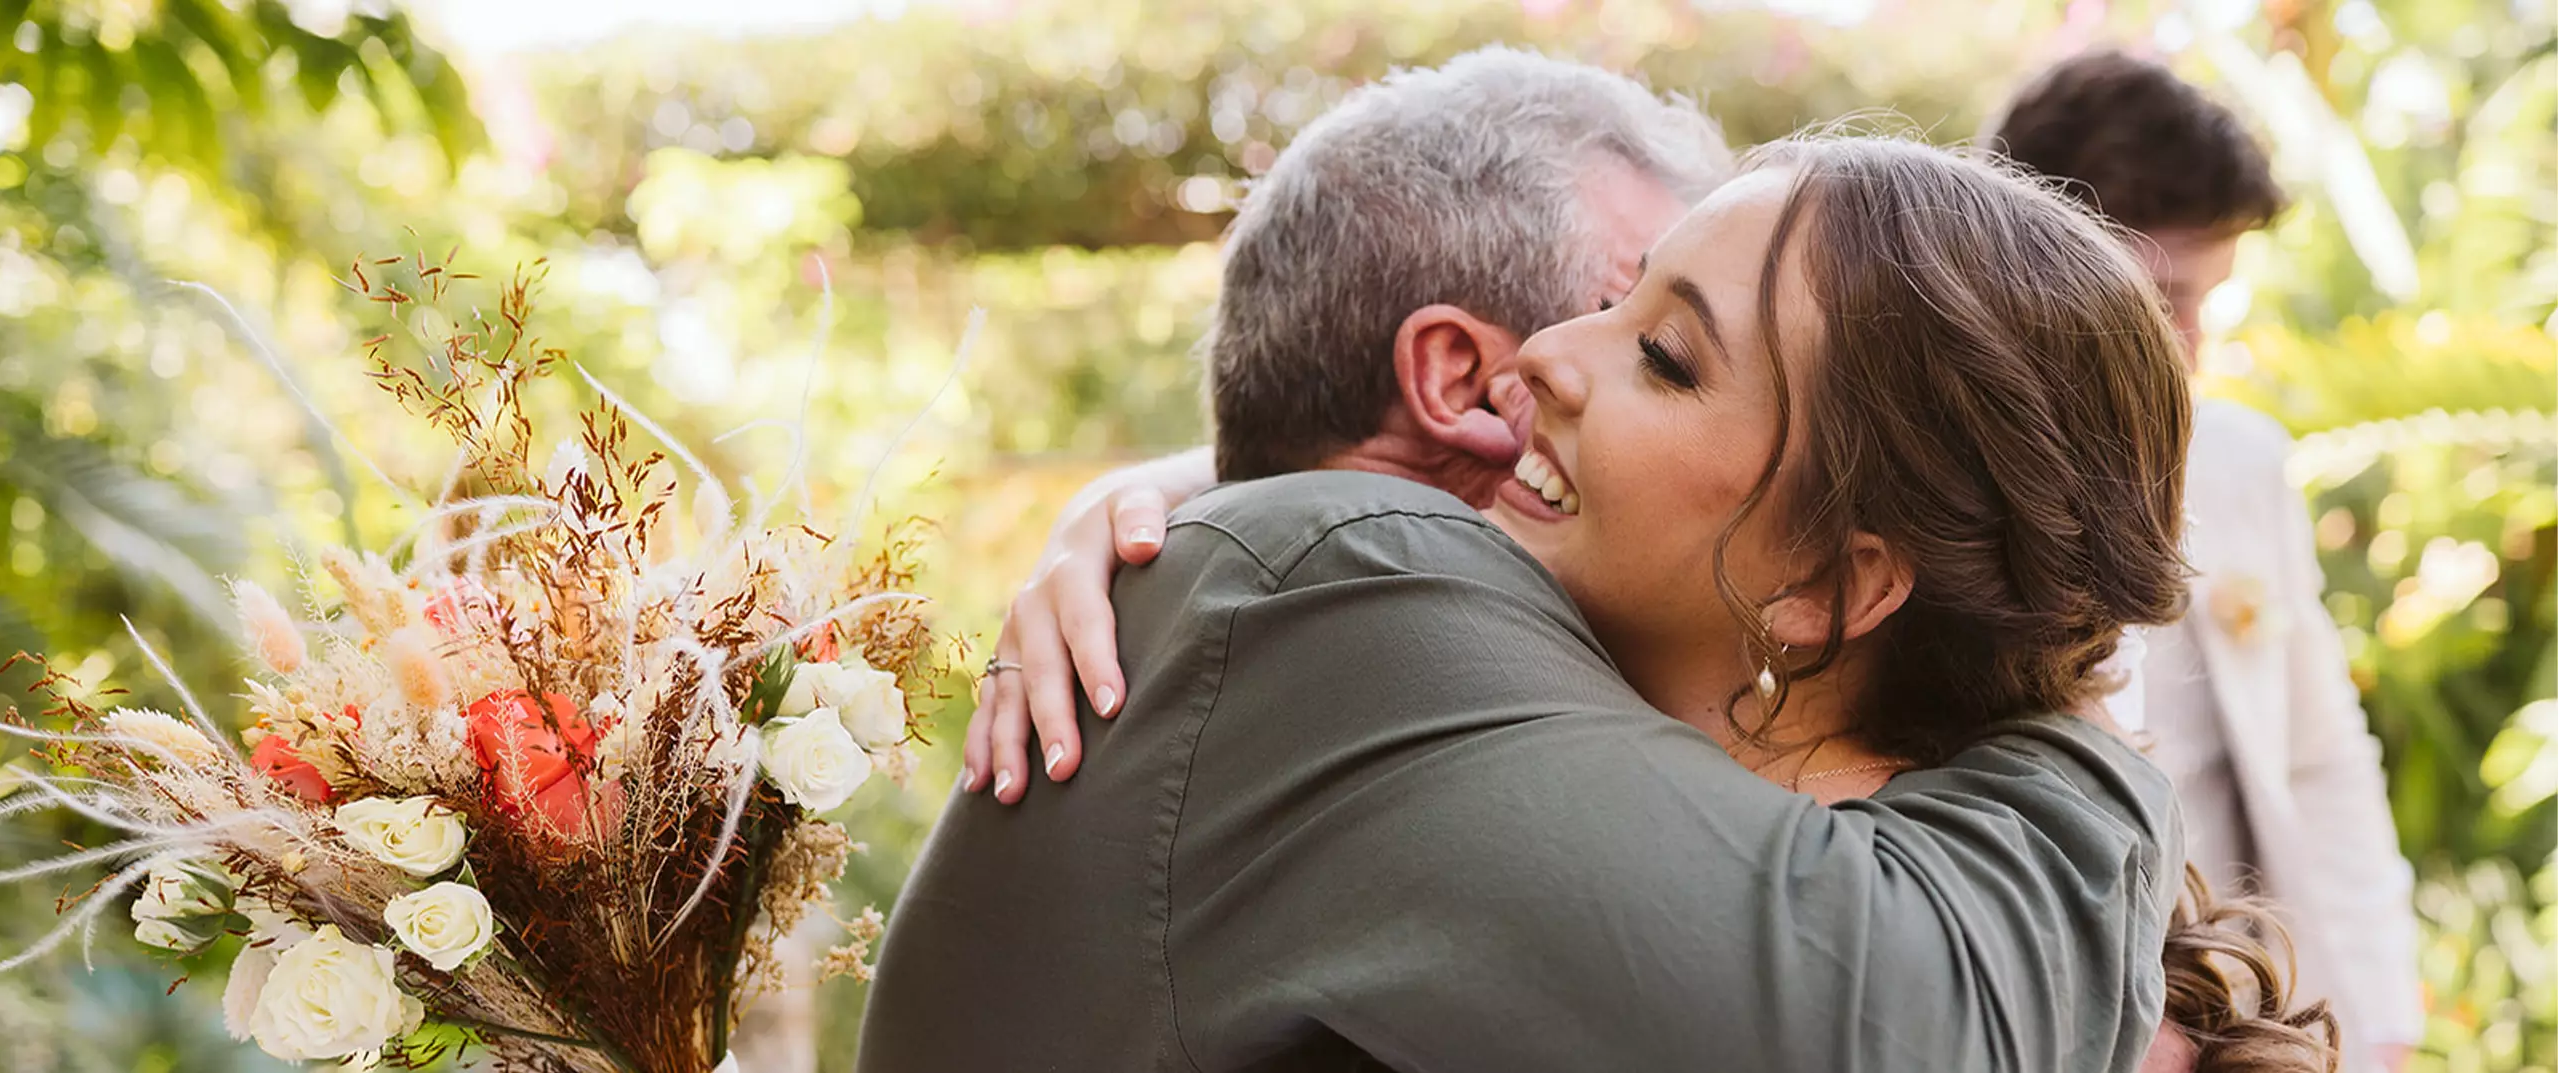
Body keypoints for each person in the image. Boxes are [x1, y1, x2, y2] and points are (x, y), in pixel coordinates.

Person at [860, 55, 2191, 1070]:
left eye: (1663, 354)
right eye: (1619, 296)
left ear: (1832, 589)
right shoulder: (1331, 592)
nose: (1549, 356)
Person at [1989, 49, 2423, 1073]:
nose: (2188, 346)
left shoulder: (2237, 459)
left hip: (2241, 1011)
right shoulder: (1925, 480)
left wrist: (2376, 1022)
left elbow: (2320, 761)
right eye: (2162, 296)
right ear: (2028, 259)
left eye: (2207, 302)